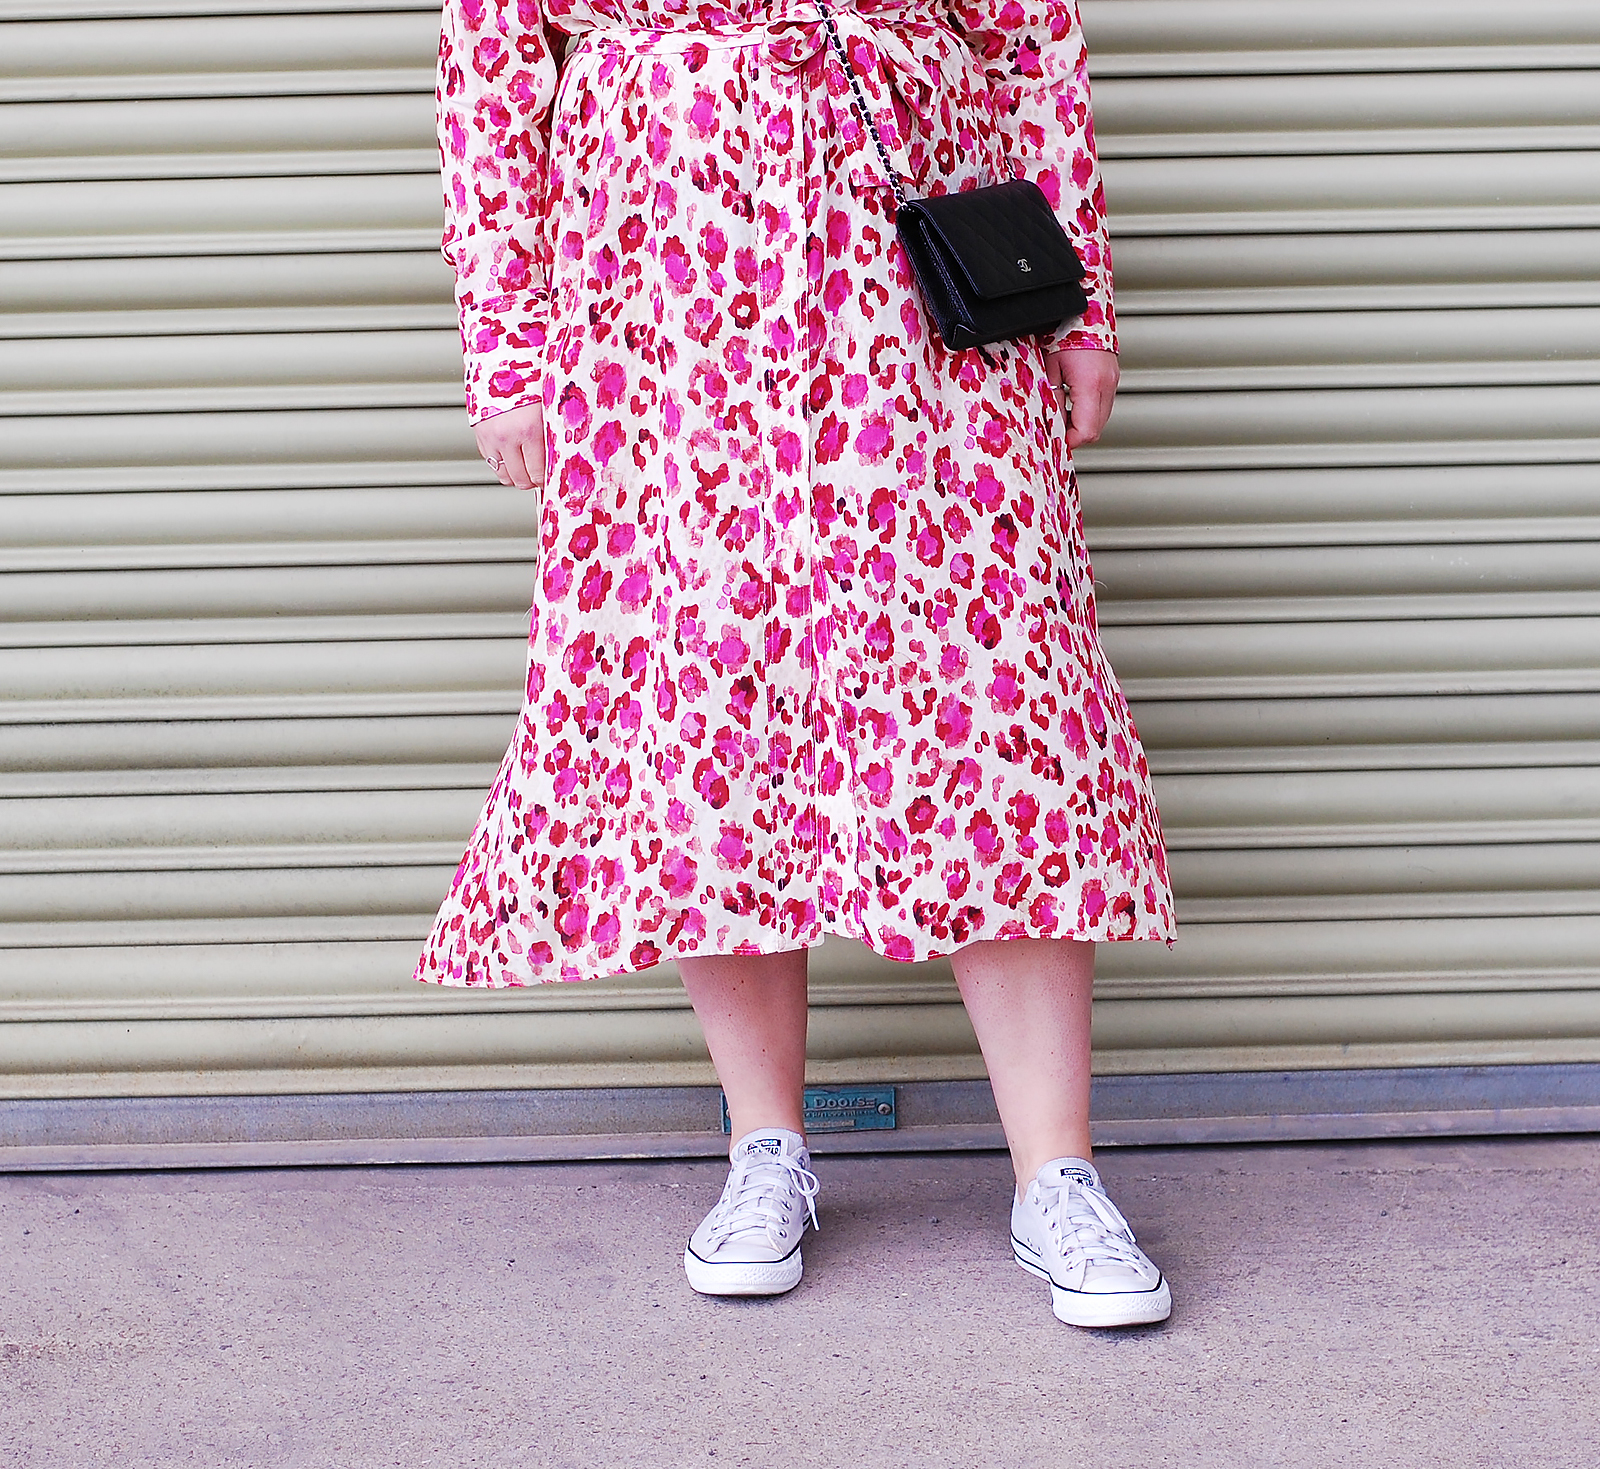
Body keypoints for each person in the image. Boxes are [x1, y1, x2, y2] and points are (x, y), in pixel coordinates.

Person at [418, 0, 1177, 1328]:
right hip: (666, 298)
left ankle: (1057, 1174)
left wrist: (1082, 299)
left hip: (920, 292)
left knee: (994, 702)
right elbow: (489, 62)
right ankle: (764, 1146)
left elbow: (1032, 35)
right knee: (707, 705)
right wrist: (510, 347)